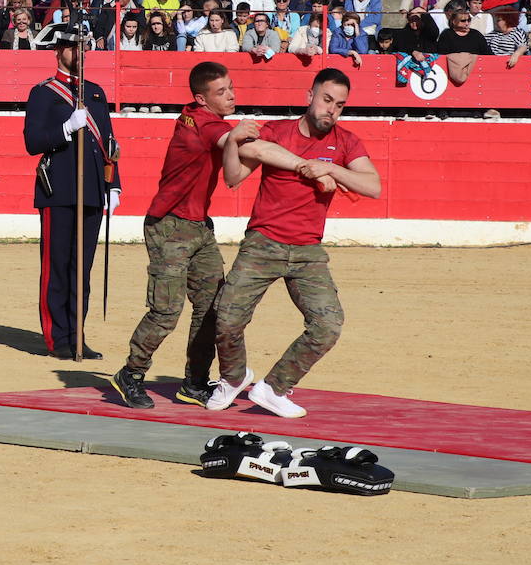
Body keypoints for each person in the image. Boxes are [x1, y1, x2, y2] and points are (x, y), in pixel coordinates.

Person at [210, 68, 381, 417]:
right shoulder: (277, 130)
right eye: (326, 100)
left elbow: (373, 186)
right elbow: (233, 177)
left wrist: (330, 170)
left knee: (328, 325)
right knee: (226, 318)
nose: (331, 110)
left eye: (340, 105)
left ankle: (273, 388)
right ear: (310, 97)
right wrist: (234, 143)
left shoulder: (346, 141)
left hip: (308, 250)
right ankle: (233, 377)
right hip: (264, 241)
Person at [109, 63, 260, 409]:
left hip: (198, 226)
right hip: (169, 226)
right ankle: (130, 374)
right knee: (166, 311)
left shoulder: (204, 119)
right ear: (201, 99)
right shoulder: (205, 124)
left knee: (212, 309)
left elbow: (232, 152)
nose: (231, 95)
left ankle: (194, 382)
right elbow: (233, 145)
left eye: (231, 87)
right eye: (221, 92)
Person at [23, 22, 120, 360]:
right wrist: (65, 128)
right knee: (58, 267)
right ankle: (58, 339)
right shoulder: (44, 93)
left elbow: (109, 143)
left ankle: (77, 336)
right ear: (58, 50)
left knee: (83, 270)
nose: (79, 53)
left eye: (83, 47)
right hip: (59, 190)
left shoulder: (94, 92)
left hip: (92, 189)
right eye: (72, 47)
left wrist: (114, 183)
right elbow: (33, 142)